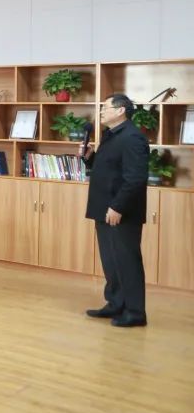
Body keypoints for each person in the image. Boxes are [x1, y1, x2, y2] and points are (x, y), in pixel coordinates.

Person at [82, 93, 149, 327]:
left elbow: (135, 178)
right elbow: (109, 169)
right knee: (111, 261)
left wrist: (118, 206)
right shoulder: (111, 135)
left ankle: (135, 312)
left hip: (121, 212)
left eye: (105, 107)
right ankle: (115, 303)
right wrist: (90, 159)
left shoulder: (132, 137)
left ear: (121, 111)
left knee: (127, 261)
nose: (101, 111)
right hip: (104, 208)